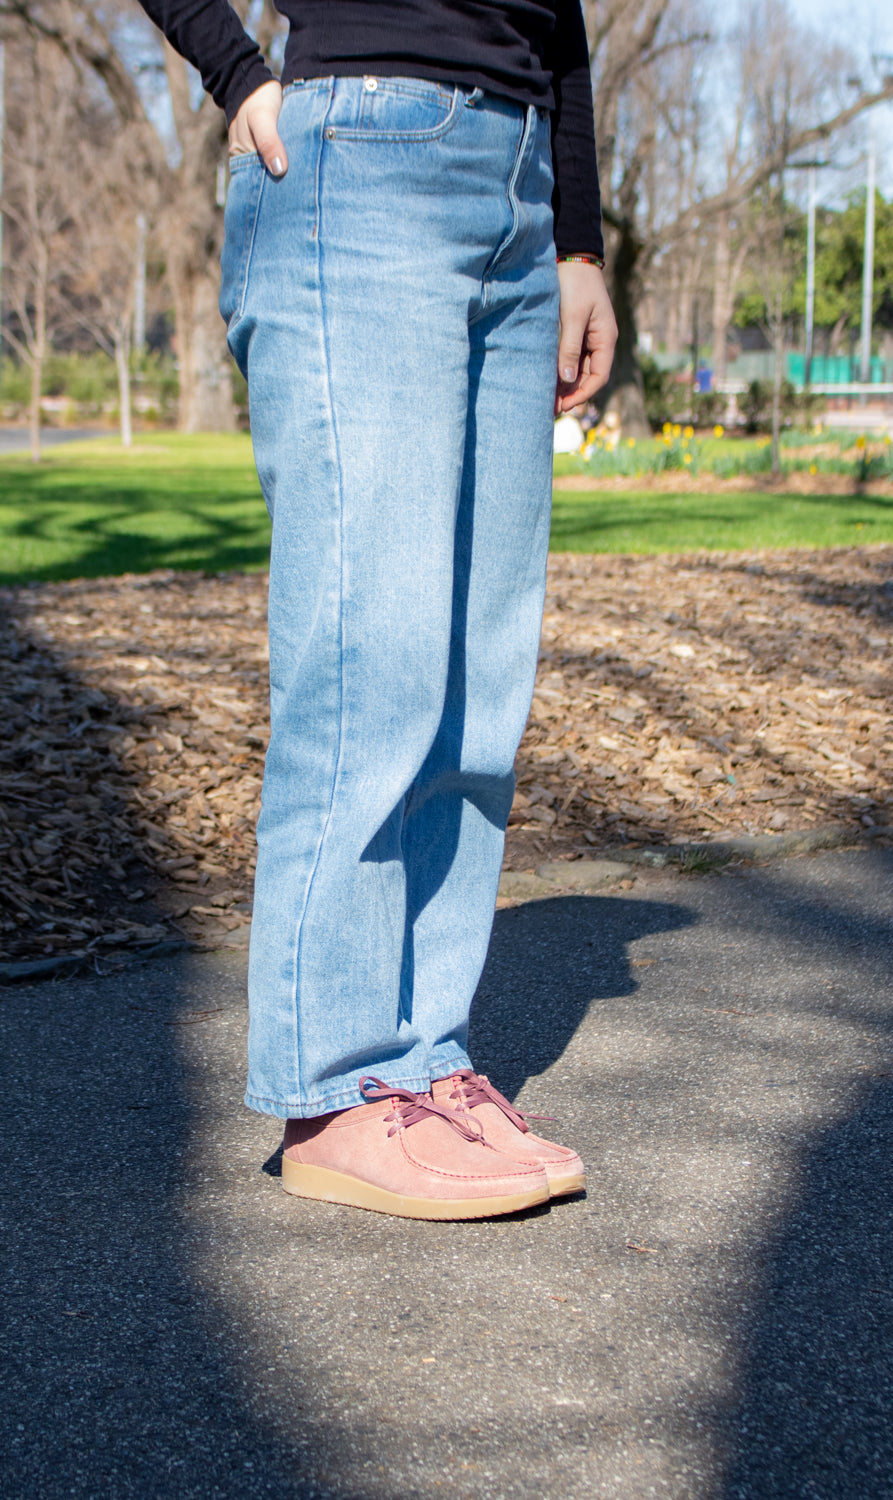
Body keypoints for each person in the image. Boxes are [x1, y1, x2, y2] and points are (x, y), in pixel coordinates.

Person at [137, 0, 617, 1220]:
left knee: (473, 672)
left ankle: (423, 1058)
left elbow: (554, 20)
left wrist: (577, 241)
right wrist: (236, 70)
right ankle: (333, 1086)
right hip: (361, 159)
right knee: (375, 650)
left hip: (514, 175)